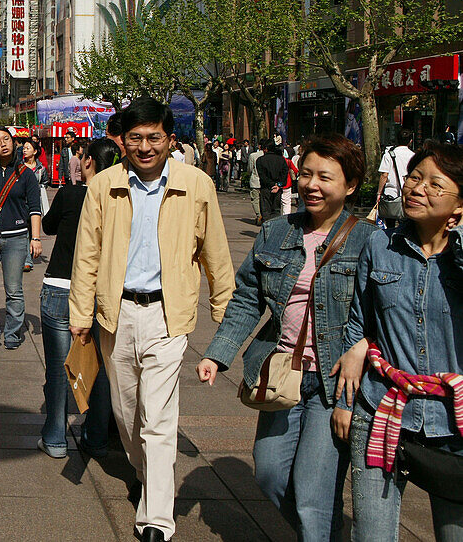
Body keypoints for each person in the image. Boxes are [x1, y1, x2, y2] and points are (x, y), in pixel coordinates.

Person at [70, 98, 235, 542]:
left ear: (170, 139)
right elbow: (86, 254)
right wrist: (81, 313)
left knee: (158, 418)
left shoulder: (196, 184)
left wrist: (225, 312)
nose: (145, 147)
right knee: (126, 414)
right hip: (115, 313)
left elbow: (215, 249)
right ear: (122, 141)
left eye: (154, 138)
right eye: (136, 138)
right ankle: (148, 474)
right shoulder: (104, 185)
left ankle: (157, 518)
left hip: (169, 314)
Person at [197, 135, 375, 540]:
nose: (311, 184)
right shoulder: (276, 232)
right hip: (282, 373)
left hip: (335, 383)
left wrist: (362, 347)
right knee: (271, 475)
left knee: (313, 494)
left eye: (324, 177)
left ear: (350, 185)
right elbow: (246, 299)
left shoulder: (370, 240)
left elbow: (382, 312)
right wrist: (217, 354)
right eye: (306, 174)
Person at [331, 142, 463, 541]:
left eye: (435, 184)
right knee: (371, 534)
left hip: (454, 422)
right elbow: (358, 323)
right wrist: (344, 403)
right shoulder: (380, 246)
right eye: (414, 178)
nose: (417, 188)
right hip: (383, 409)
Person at [39, 138, 120, 459]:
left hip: (60, 286)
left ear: (87, 162)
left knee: (60, 369)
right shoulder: (120, 200)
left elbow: (48, 225)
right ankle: (96, 437)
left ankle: (56, 439)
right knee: (99, 367)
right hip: (101, 293)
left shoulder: (71, 194)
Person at [0, 126, 42, 351]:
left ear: (13, 142)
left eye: (6, 139)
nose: (3, 144)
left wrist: (36, 238)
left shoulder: (26, 173)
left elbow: (34, 208)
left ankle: (12, 332)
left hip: (17, 238)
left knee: (14, 290)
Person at [375, 130, 415, 229]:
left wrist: (379, 193)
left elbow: (384, 175)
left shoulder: (389, 154)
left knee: (390, 225)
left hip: (390, 194)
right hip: (407, 195)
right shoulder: (413, 156)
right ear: (410, 141)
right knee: (405, 225)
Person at [21, 138, 51, 273]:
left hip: (35, 203)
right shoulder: (19, 166)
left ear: (35, 151)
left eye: (27, 148)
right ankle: (25, 259)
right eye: (24, 148)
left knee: (33, 230)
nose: (24, 150)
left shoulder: (41, 169)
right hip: (21, 203)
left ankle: (28, 257)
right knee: (24, 231)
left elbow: (45, 182)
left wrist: (38, 189)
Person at [257, 141, 289, 223]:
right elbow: (284, 174)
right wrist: (278, 185)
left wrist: (272, 184)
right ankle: (275, 231)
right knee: (276, 210)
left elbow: (262, 176)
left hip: (266, 188)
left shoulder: (260, 160)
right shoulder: (281, 160)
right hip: (278, 189)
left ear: (266, 149)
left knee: (266, 211)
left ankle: (268, 231)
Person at [248, 141, 265, 226]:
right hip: (265, 182)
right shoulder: (267, 156)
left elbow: (250, 169)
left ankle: (259, 215)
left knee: (255, 199)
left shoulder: (253, 156)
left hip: (255, 180)